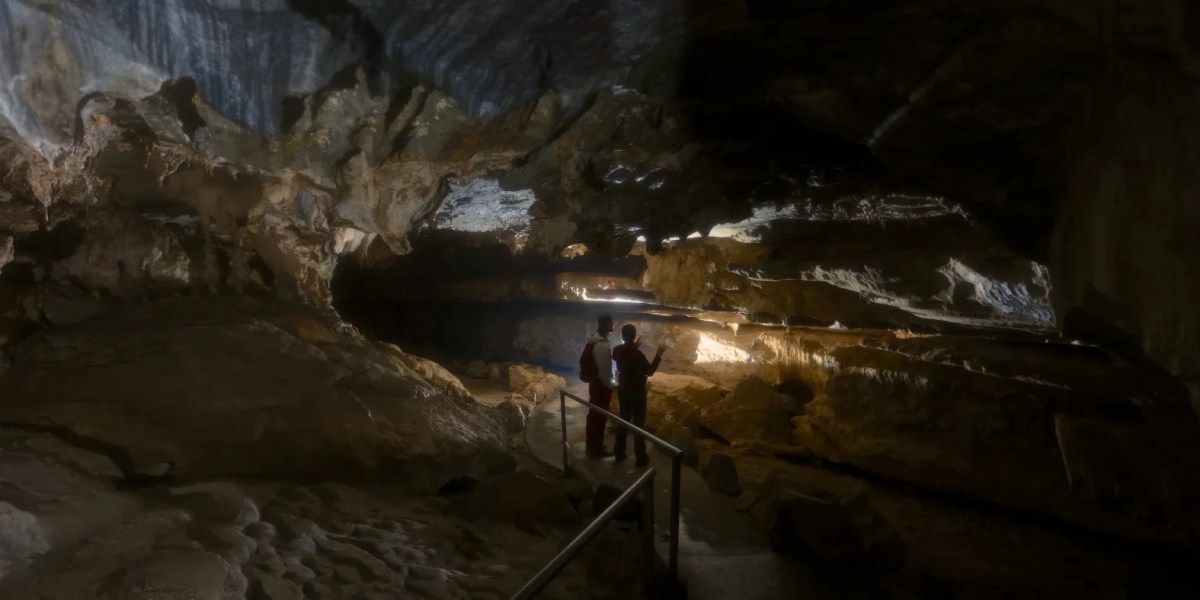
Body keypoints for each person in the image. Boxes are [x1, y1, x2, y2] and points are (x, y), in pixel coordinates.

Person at [611, 324, 666, 465]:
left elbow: (621, 354)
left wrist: (633, 345)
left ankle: (619, 452)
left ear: (622, 336)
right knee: (638, 425)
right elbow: (650, 371)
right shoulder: (638, 355)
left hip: (623, 390)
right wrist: (658, 355)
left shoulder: (617, 350)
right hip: (637, 393)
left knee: (623, 421)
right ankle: (640, 457)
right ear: (634, 336)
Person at [581, 314, 617, 457]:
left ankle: (592, 444)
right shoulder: (601, 345)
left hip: (595, 383)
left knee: (594, 414)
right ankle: (596, 448)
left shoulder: (594, 340)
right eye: (612, 323)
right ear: (607, 325)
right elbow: (604, 370)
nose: (613, 325)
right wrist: (612, 385)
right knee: (599, 416)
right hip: (600, 385)